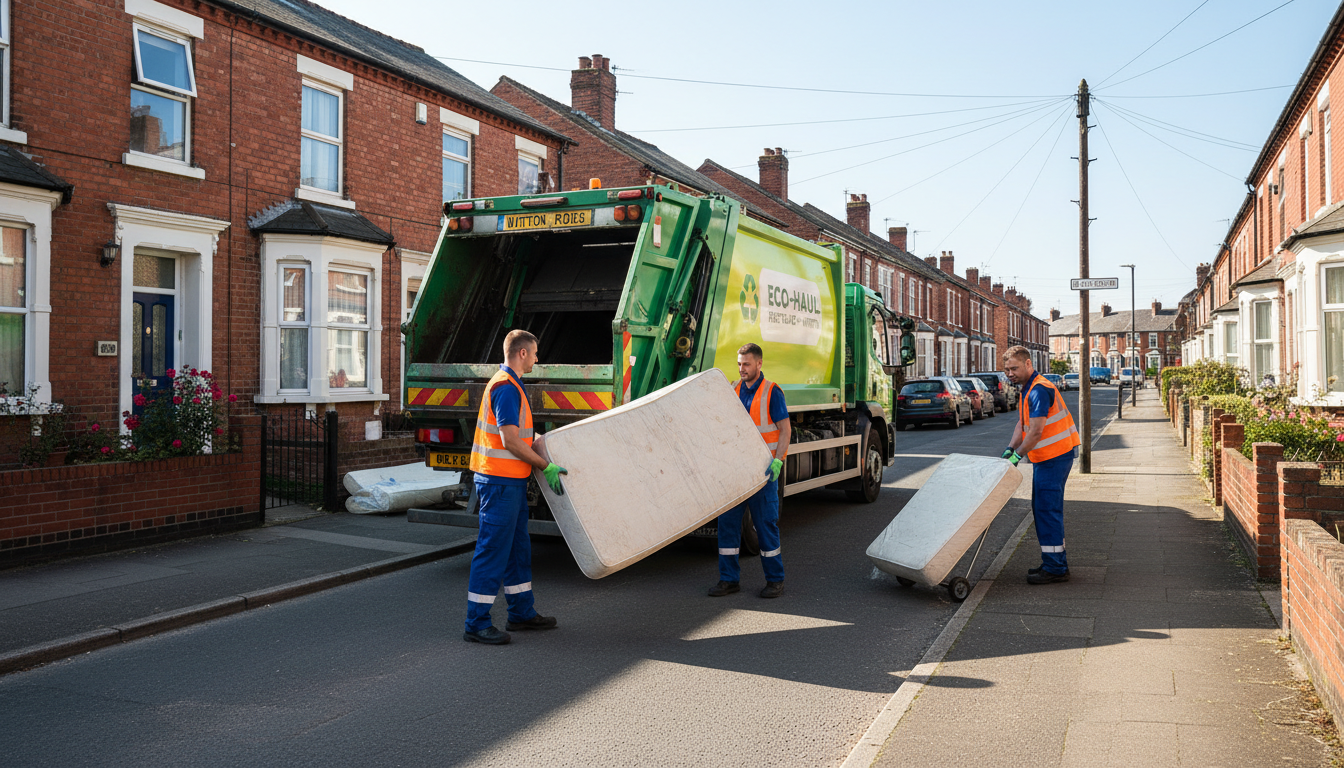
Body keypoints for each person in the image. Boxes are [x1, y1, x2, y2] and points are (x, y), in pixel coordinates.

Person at [463, 329, 569, 645]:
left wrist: (543, 444)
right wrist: (543, 465)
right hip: (499, 482)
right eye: (535, 353)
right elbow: (509, 440)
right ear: (522, 353)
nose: (537, 358)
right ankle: (476, 623)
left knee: (517, 550)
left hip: (509, 481)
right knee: (493, 550)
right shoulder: (506, 388)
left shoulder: (511, 386)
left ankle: (522, 613)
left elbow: (519, 435)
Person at [710, 343, 791, 599]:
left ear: (759, 364)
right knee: (727, 526)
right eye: (739, 364)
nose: (742, 368)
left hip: (762, 473)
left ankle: (775, 580)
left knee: (765, 526)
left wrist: (779, 459)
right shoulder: (733, 389)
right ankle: (728, 580)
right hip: (735, 472)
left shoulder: (772, 392)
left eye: (746, 364)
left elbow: (785, 430)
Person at [1002, 345, 1081, 585]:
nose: (1009, 373)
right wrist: (1009, 449)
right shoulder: (1028, 388)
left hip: (1054, 457)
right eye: (1006, 369)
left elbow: (1035, 432)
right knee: (1042, 509)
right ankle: (1052, 561)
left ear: (1028, 364)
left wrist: (1017, 457)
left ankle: (1056, 568)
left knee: (1047, 510)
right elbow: (1022, 425)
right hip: (1048, 458)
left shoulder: (1039, 390)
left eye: (1014, 368)